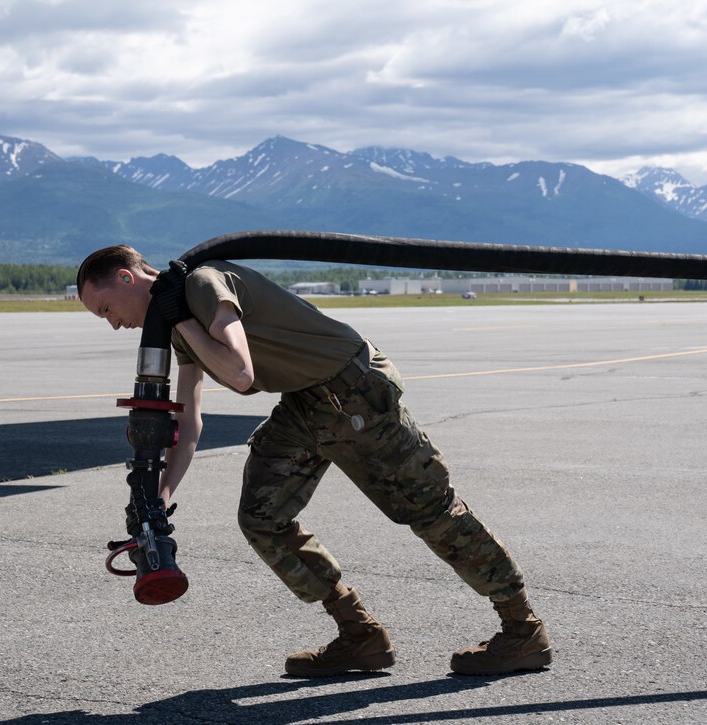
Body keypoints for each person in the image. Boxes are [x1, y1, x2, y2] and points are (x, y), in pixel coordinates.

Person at [77, 244, 552, 677]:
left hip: (353, 390)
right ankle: (359, 634)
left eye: (106, 309)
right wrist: (157, 503)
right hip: (307, 402)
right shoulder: (178, 320)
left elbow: (240, 373)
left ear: (125, 278)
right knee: (262, 516)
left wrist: (179, 318)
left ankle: (522, 628)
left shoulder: (200, 286)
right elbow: (190, 425)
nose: (114, 323)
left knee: (430, 512)